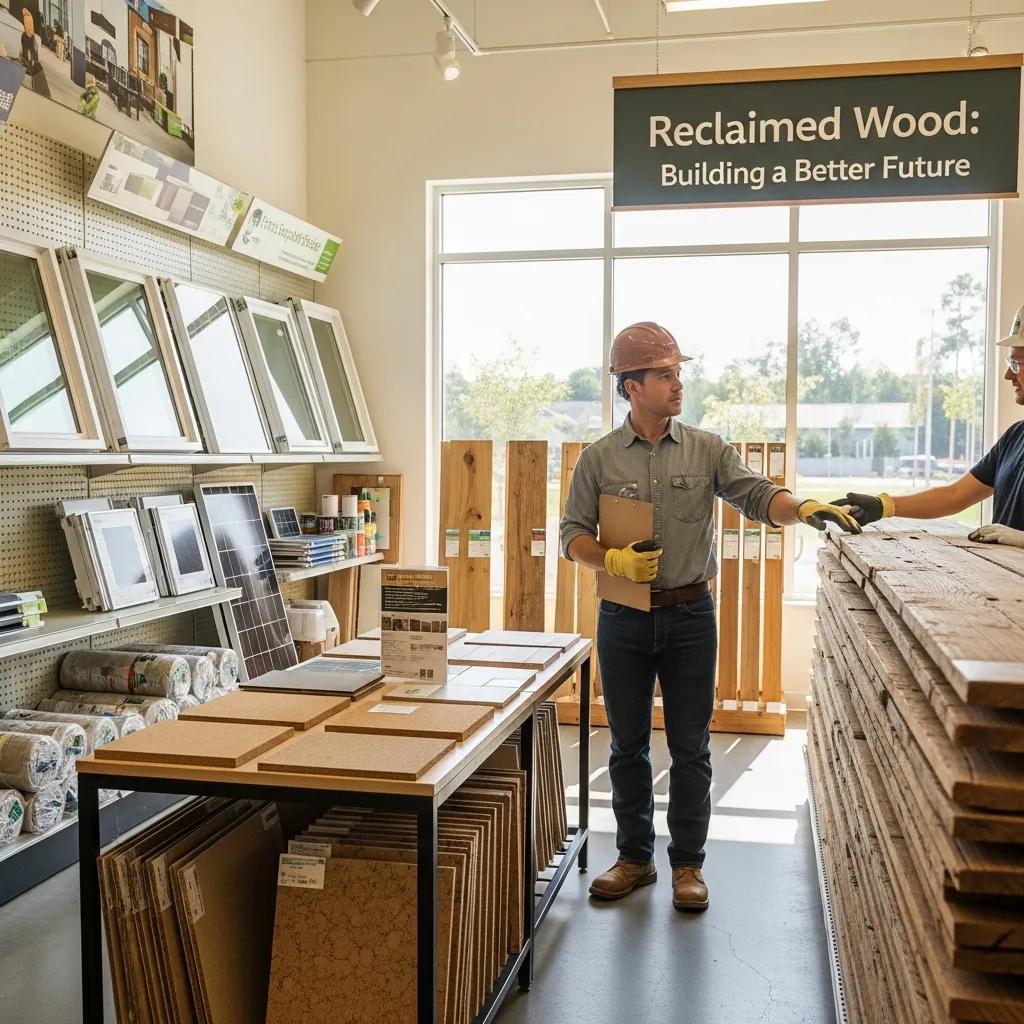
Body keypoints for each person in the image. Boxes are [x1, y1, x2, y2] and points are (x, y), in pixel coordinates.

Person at [558, 322, 861, 912]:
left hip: (690, 617)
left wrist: (803, 508)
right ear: (631, 386)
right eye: (665, 375)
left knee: (691, 746)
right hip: (623, 617)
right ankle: (634, 858)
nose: (678, 384)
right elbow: (572, 535)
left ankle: (688, 865)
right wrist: (611, 558)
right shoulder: (597, 459)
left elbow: (757, 495)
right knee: (626, 746)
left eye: (678, 373)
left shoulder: (707, 449)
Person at [832, 303, 1024, 547]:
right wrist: (884, 505)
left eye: (1017, 364)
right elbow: (955, 496)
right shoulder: (1015, 437)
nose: (1008, 375)